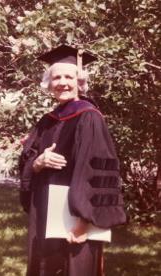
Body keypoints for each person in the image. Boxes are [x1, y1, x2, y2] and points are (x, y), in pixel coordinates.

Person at [19, 45, 126, 276]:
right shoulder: (47, 121)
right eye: (56, 77)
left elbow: (97, 170)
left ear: (80, 82)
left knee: (75, 267)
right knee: (44, 267)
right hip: (45, 212)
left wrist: (84, 221)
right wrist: (38, 163)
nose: (63, 82)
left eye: (69, 76)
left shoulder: (88, 117)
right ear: (49, 84)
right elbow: (28, 158)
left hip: (75, 218)